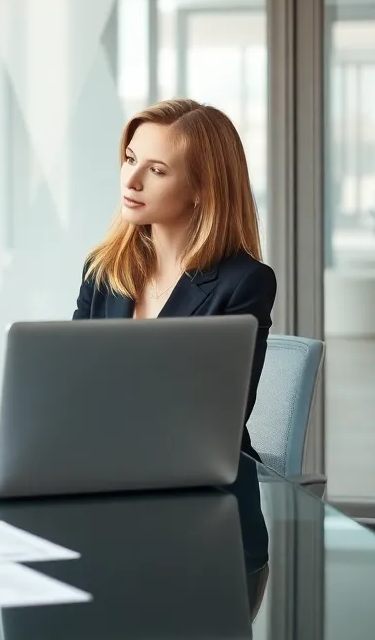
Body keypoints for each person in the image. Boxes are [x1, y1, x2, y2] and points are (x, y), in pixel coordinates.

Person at [73, 98, 276, 459]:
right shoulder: (103, 270)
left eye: (157, 171)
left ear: (201, 189)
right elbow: (73, 386)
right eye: (131, 159)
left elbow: (218, 418)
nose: (131, 181)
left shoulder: (245, 283)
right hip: (106, 463)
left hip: (197, 480)